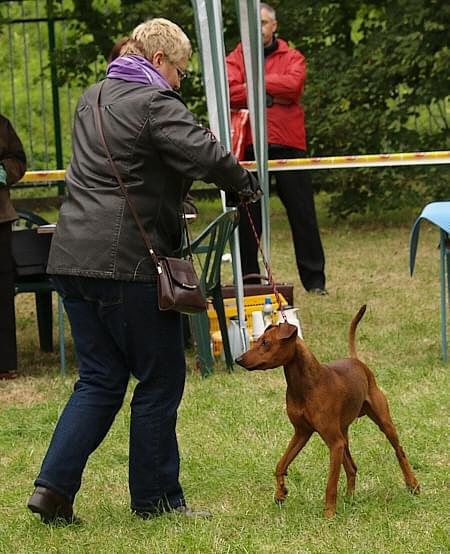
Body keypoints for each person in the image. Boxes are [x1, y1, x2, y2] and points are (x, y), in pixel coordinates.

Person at [27, 18, 261, 525]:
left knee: (99, 379)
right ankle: (156, 501)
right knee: (160, 380)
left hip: (69, 258)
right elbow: (204, 154)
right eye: (179, 70)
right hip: (126, 263)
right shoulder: (156, 102)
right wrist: (244, 181)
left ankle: (52, 489)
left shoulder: (92, 96)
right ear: (158, 62)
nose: (180, 81)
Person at [226, 2, 327, 294]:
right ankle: (250, 281)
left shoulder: (292, 56)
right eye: (252, 24)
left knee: (303, 213)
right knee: (247, 218)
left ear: (274, 26)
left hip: (288, 145)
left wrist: (254, 85)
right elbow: (230, 90)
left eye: (264, 23)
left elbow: (293, 86)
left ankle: (315, 280)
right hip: (250, 148)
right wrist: (271, 93)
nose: (258, 29)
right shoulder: (235, 57)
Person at [0, 114, 27, 380]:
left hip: (0, 218)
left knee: (2, 289)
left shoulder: (1, 123)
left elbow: (18, 160)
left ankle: (4, 362)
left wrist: (2, 171)